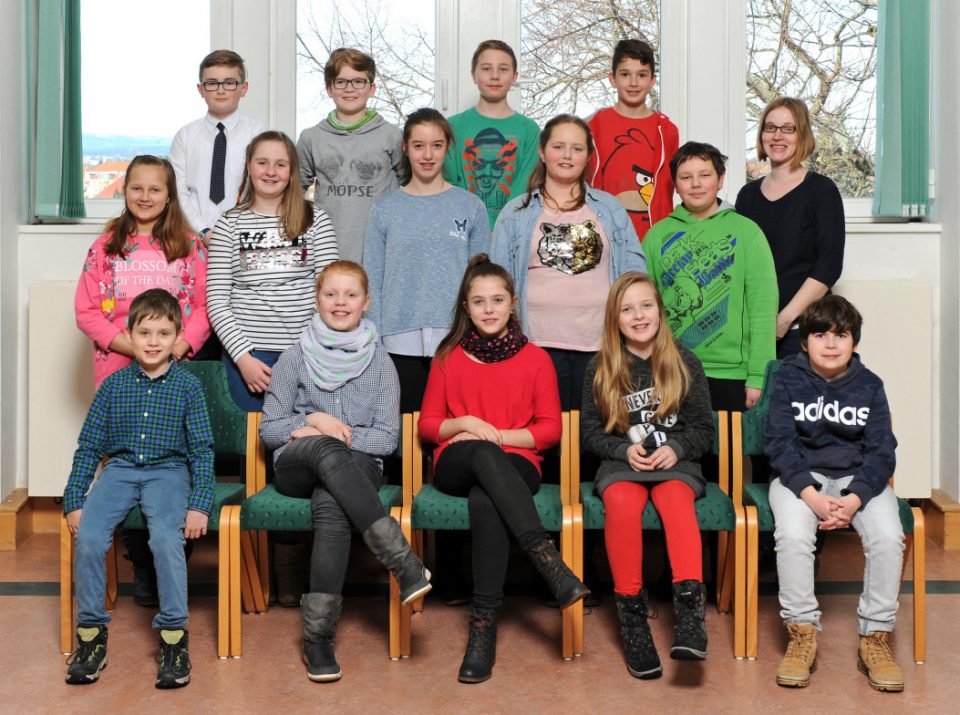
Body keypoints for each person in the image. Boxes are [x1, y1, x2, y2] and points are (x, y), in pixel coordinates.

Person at [418, 254, 590, 683]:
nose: (489, 309)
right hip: (456, 460)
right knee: (480, 456)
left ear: (513, 303)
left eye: (497, 300)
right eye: (479, 302)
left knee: (486, 497)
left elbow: (550, 431)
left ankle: (483, 627)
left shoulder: (536, 359)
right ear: (466, 307)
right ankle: (547, 560)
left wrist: (493, 435)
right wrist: (466, 424)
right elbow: (428, 426)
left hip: (518, 463)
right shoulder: (448, 357)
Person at [260, 261, 430, 683]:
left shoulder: (381, 363)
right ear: (317, 299)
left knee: (331, 504)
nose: (340, 303)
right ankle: (403, 562)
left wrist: (342, 436)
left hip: (357, 469)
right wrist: (313, 420)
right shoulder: (293, 357)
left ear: (365, 302)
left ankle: (317, 639)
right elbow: (270, 430)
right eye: (331, 294)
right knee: (323, 447)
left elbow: (387, 438)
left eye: (350, 295)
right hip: (296, 466)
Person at [75, 154, 210, 608]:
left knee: (169, 462)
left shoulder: (189, 246)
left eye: (155, 189)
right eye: (137, 188)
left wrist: (178, 347)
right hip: (118, 366)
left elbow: (203, 307)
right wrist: (128, 346)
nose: (145, 197)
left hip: (173, 365)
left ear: (169, 195)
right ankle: (139, 561)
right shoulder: (105, 247)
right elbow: (86, 311)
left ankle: (170, 554)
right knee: (124, 464)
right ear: (125, 190)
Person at [63, 289, 214, 689]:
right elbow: (88, 446)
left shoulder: (188, 388)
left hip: (169, 472)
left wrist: (200, 504)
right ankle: (91, 636)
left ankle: (173, 638)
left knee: (165, 539)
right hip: (120, 470)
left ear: (177, 336)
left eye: (163, 334)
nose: (153, 342)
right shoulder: (113, 387)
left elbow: (201, 450)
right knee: (89, 538)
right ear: (129, 335)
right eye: (145, 333)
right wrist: (74, 499)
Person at [763, 295, 904, 692]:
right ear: (804, 341)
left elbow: (882, 452)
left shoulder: (871, 385)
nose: (830, 343)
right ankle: (802, 632)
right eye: (820, 334)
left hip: (857, 479)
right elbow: (778, 444)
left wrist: (855, 498)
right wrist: (810, 495)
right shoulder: (787, 379)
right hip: (800, 478)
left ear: (854, 342)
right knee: (793, 535)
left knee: (889, 537)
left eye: (840, 335)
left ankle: (875, 637)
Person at [581, 272, 714, 678]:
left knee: (675, 501)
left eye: (646, 306)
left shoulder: (685, 362)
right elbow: (590, 433)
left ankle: (689, 614)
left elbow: (703, 430)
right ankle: (633, 621)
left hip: (676, 465)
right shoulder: (600, 367)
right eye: (627, 309)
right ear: (614, 318)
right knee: (621, 503)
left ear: (660, 311)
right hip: (623, 464)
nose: (639, 316)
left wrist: (677, 448)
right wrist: (623, 450)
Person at [491, 114, 646, 411]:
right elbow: (498, 282)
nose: (567, 155)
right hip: (535, 346)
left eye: (577, 148)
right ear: (542, 152)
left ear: (588, 156)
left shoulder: (610, 209)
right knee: (547, 431)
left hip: (600, 345)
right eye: (558, 147)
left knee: (596, 431)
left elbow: (634, 272)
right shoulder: (515, 212)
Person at [363, 107, 488, 413]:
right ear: (405, 147)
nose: (428, 155)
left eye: (437, 145)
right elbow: (373, 280)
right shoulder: (384, 210)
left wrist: (478, 335)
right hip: (397, 341)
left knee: (457, 430)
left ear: (448, 147)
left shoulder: (471, 206)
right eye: (419, 145)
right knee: (404, 432)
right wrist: (375, 341)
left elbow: (483, 282)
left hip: (458, 340)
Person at [207, 130, 339, 413]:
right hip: (248, 357)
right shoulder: (228, 224)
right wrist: (243, 358)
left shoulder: (316, 220)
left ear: (292, 171)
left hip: (306, 353)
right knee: (251, 437)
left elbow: (331, 294)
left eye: (280, 164)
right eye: (262, 162)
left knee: (304, 435)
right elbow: (217, 301)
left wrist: (312, 350)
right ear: (249, 166)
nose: (271, 172)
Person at [643, 141, 777, 412]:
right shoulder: (656, 236)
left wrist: (758, 375)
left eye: (705, 175)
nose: (696, 184)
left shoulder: (747, 232)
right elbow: (644, 308)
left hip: (733, 374)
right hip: (672, 370)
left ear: (720, 179)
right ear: (675, 184)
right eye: (686, 177)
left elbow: (763, 309)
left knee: (728, 442)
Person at [736, 97, 845, 358]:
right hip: (754, 329)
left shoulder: (821, 191)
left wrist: (785, 319)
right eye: (770, 127)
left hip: (802, 330)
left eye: (788, 128)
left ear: (802, 134)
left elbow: (829, 265)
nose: (777, 136)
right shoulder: (747, 196)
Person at [297, 47, 403, 263]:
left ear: (372, 89)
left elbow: (412, 188)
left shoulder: (392, 136)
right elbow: (294, 190)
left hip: (381, 252)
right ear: (329, 89)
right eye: (341, 82)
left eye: (358, 81)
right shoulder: (311, 138)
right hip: (327, 252)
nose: (349, 89)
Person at [169, 49, 265, 243]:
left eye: (229, 83)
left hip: (244, 238)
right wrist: (202, 231)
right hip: (193, 238)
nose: (221, 90)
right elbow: (177, 191)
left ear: (244, 88)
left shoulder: (259, 135)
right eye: (212, 83)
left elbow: (264, 190)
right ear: (201, 89)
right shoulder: (185, 137)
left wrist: (236, 233)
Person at [588, 39, 679, 241]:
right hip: (605, 237)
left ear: (652, 80)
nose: (634, 83)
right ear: (612, 79)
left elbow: (674, 185)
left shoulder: (667, 131)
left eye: (642, 75)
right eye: (625, 74)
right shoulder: (593, 127)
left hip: (655, 238)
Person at [443, 40, 541, 229]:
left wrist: (502, 231)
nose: (495, 76)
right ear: (474, 75)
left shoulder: (530, 131)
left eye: (503, 69)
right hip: (463, 230)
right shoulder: (453, 127)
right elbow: (450, 186)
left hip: (513, 231)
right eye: (486, 68)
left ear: (514, 76)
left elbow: (524, 190)